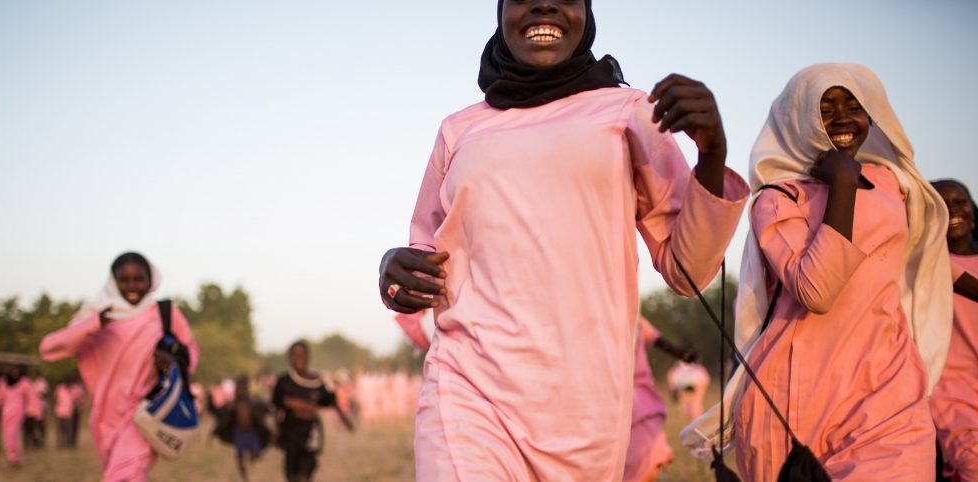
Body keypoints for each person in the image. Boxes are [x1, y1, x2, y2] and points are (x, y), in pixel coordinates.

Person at [377, 0, 749, 479]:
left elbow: (688, 269)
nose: (545, 4)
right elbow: (426, 247)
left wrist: (713, 155)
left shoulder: (631, 113)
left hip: (587, 413)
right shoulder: (459, 130)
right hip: (468, 389)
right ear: (501, 11)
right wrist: (393, 269)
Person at [695, 63, 978, 481]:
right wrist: (842, 185)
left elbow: (928, 261)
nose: (843, 117)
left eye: (854, 105)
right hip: (793, 403)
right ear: (798, 117)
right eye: (825, 107)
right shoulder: (778, 199)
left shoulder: (892, 185)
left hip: (889, 393)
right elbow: (816, 290)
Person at [39, 252, 199, 482]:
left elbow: (191, 352)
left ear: (150, 280)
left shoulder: (165, 314)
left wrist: (172, 363)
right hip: (105, 419)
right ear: (114, 281)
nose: (132, 286)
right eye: (124, 280)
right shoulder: (97, 314)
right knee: (121, 473)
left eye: (139, 279)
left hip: (144, 414)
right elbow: (49, 349)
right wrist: (95, 324)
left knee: (123, 476)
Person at [929, 179, 978, 480]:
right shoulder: (926, 266)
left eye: (959, 201)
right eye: (942, 204)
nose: (953, 210)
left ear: (973, 207)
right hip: (951, 391)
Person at [624, 316, 697, 482]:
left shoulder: (634, 317)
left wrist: (679, 353)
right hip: (614, 397)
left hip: (640, 396)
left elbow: (657, 340)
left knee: (649, 456)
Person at [272, 341, 354, 482]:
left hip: (311, 432)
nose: (298, 359)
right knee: (292, 475)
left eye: (302, 355)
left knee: (306, 472)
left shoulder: (318, 382)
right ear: (289, 358)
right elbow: (275, 407)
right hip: (290, 433)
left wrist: (345, 419)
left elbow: (331, 401)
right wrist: (274, 431)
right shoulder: (284, 382)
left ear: (308, 357)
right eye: (294, 355)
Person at [213, 376, 272, 482]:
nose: (240, 392)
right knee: (239, 457)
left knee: (256, 453)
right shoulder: (233, 404)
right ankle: (244, 476)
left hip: (252, 432)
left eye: (242, 389)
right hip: (239, 432)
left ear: (246, 390)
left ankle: (252, 458)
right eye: (238, 389)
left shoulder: (253, 402)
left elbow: (266, 408)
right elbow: (220, 414)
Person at [0, 366, 39, 467]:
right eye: (12, 371)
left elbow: (32, 397)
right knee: (6, 435)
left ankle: (15, 457)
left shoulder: (24, 382)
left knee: (13, 434)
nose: (15, 373)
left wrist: (36, 411)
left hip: (18, 411)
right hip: (5, 412)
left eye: (17, 371)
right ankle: (12, 457)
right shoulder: (3, 383)